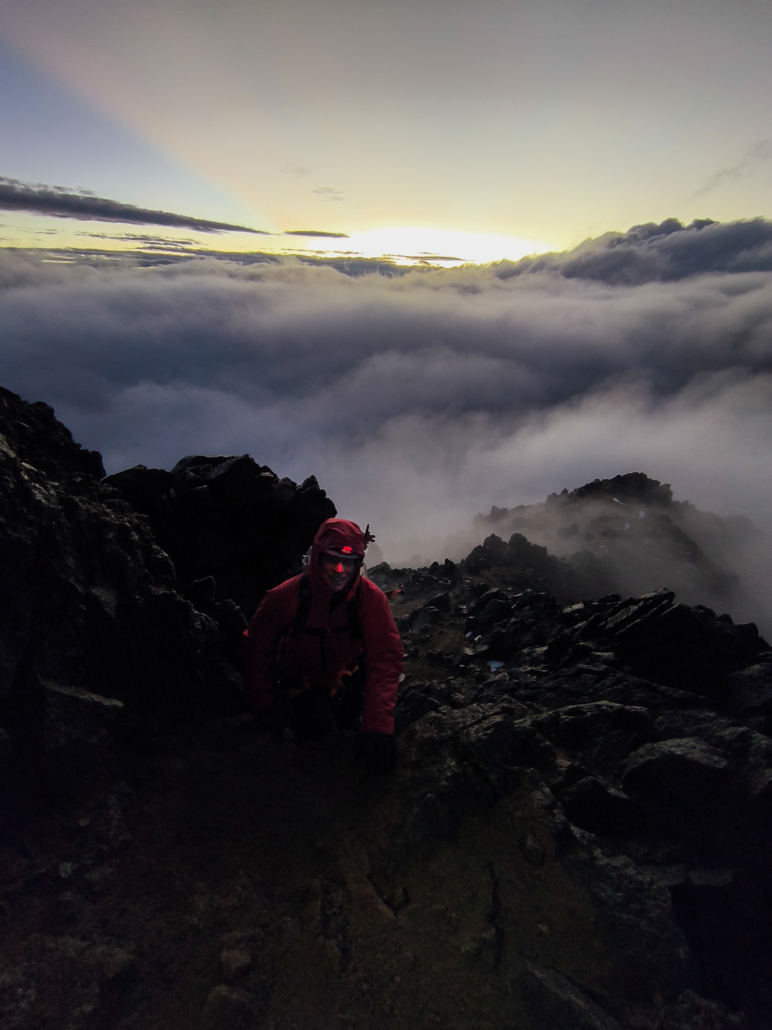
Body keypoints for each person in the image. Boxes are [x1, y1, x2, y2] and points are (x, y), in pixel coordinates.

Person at [241, 518, 404, 773]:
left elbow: (385, 657)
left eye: (348, 563)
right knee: (321, 739)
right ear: (317, 558)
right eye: (331, 560)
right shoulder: (285, 598)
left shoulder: (369, 600)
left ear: (358, 564)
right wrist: (264, 705)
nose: (339, 570)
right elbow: (255, 648)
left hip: (348, 684)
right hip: (301, 690)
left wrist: (378, 726)